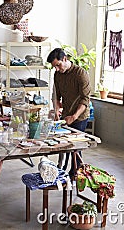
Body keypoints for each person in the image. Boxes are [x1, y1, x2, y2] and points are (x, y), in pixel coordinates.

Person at [46, 47, 91, 175]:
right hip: (66, 114)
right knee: (64, 144)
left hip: (80, 116)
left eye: (58, 65)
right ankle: (63, 171)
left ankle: (75, 173)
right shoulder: (58, 74)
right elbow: (56, 96)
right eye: (55, 67)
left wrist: (74, 116)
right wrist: (56, 110)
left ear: (65, 59)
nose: (57, 69)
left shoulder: (80, 73)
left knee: (75, 146)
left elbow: (85, 100)